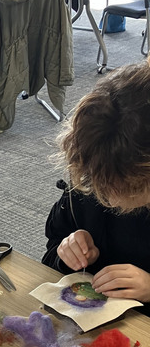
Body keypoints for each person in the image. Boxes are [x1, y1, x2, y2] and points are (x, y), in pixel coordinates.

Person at [42, 61, 150, 311]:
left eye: (126, 188)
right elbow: (50, 255)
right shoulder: (90, 176)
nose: (109, 200)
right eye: (103, 186)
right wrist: (66, 252)